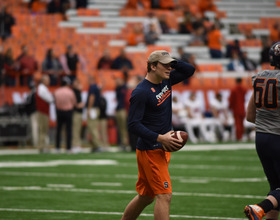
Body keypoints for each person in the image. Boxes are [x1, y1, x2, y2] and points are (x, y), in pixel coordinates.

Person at [121, 50, 195, 220]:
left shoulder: (165, 81)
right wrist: (160, 138)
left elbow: (189, 70)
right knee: (164, 195)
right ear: (152, 66)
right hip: (151, 149)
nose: (169, 69)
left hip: (159, 147)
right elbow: (133, 125)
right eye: (165, 65)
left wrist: (172, 62)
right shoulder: (141, 92)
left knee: (146, 196)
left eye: (171, 65)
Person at [244, 42, 280, 220]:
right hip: (278, 138)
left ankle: (263, 209)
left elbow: (250, 116)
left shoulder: (260, 77)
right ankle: (260, 208)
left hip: (261, 138)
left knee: (276, 190)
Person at [54, 76, 76, 153]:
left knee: (58, 130)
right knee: (68, 130)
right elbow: (74, 103)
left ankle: (57, 147)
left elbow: (55, 102)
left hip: (59, 111)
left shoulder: (57, 91)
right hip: (68, 112)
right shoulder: (70, 92)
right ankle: (68, 147)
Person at [36, 75, 54, 153]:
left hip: (43, 112)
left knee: (43, 130)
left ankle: (42, 146)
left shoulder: (43, 88)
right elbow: (50, 99)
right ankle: (42, 147)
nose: (49, 82)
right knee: (43, 130)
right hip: (42, 112)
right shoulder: (42, 89)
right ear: (43, 81)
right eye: (47, 80)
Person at [86, 75, 103, 152]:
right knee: (93, 127)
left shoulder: (92, 87)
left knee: (92, 127)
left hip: (93, 109)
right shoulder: (96, 87)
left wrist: (89, 108)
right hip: (96, 109)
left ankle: (97, 145)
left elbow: (92, 97)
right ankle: (94, 145)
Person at [114, 72, 129, 151]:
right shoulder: (118, 88)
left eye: (117, 80)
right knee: (120, 127)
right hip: (119, 109)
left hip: (123, 109)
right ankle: (122, 142)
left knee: (123, 127)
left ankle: (125, 143)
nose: (116, 81)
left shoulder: (124, 87)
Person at [72, 78, 84, 153]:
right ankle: (75, 145)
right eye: (76, 82)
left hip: (79, 113)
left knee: (78, 129)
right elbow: (72, 101)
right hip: (75, 112)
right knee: (75, 129)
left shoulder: (78, 91)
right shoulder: (73, 91)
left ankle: (78, 144)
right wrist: (77, 105)